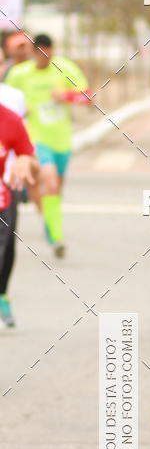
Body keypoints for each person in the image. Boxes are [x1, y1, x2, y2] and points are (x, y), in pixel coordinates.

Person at [6, 33, 90, 257]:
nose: (47, 59)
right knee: (49, 182)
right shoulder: (19, 74)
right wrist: (21, 111)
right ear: (34, 54)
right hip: (35, 139)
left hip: (62, 140)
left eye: (50, 55)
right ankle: (56, 236)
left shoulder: (64, 68)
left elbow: (88, 97)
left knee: (55, 190)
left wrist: (67, 96)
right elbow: (5, 101)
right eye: (42, 56)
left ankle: (50, 222)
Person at [0, 104, 39, 329]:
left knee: (6, 252)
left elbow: (31, 161)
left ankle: (2, 294)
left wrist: (26, 161)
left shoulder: (10, 119)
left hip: (4, 194)